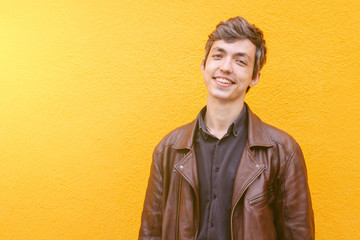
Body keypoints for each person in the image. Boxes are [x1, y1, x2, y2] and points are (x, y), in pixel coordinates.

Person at [139, 16, 314, 240]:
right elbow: (150, 233)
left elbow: (298, 235)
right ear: (204, 66)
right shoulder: (168, 150)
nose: (225, 67)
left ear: (254, 77)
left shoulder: (283, 151)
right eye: (218, 56)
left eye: (240, 61)